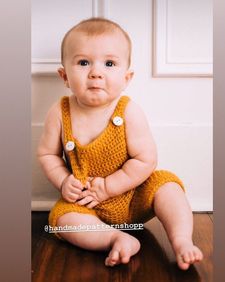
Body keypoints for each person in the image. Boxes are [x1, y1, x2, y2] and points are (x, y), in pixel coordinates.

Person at [37, 17, 203, 270]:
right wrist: (62, 180)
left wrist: (110, 187)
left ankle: (181, 240)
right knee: (61, 219)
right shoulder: (60, 113)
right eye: (83, 63)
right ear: (64, 76)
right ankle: (116, 238)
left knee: (167, 185)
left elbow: (145, 160)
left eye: (109, 63)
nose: (96, 72)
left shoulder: (128, 112)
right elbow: (47, 155)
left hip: (133, 195)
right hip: (87, 202)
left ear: (126, 77)